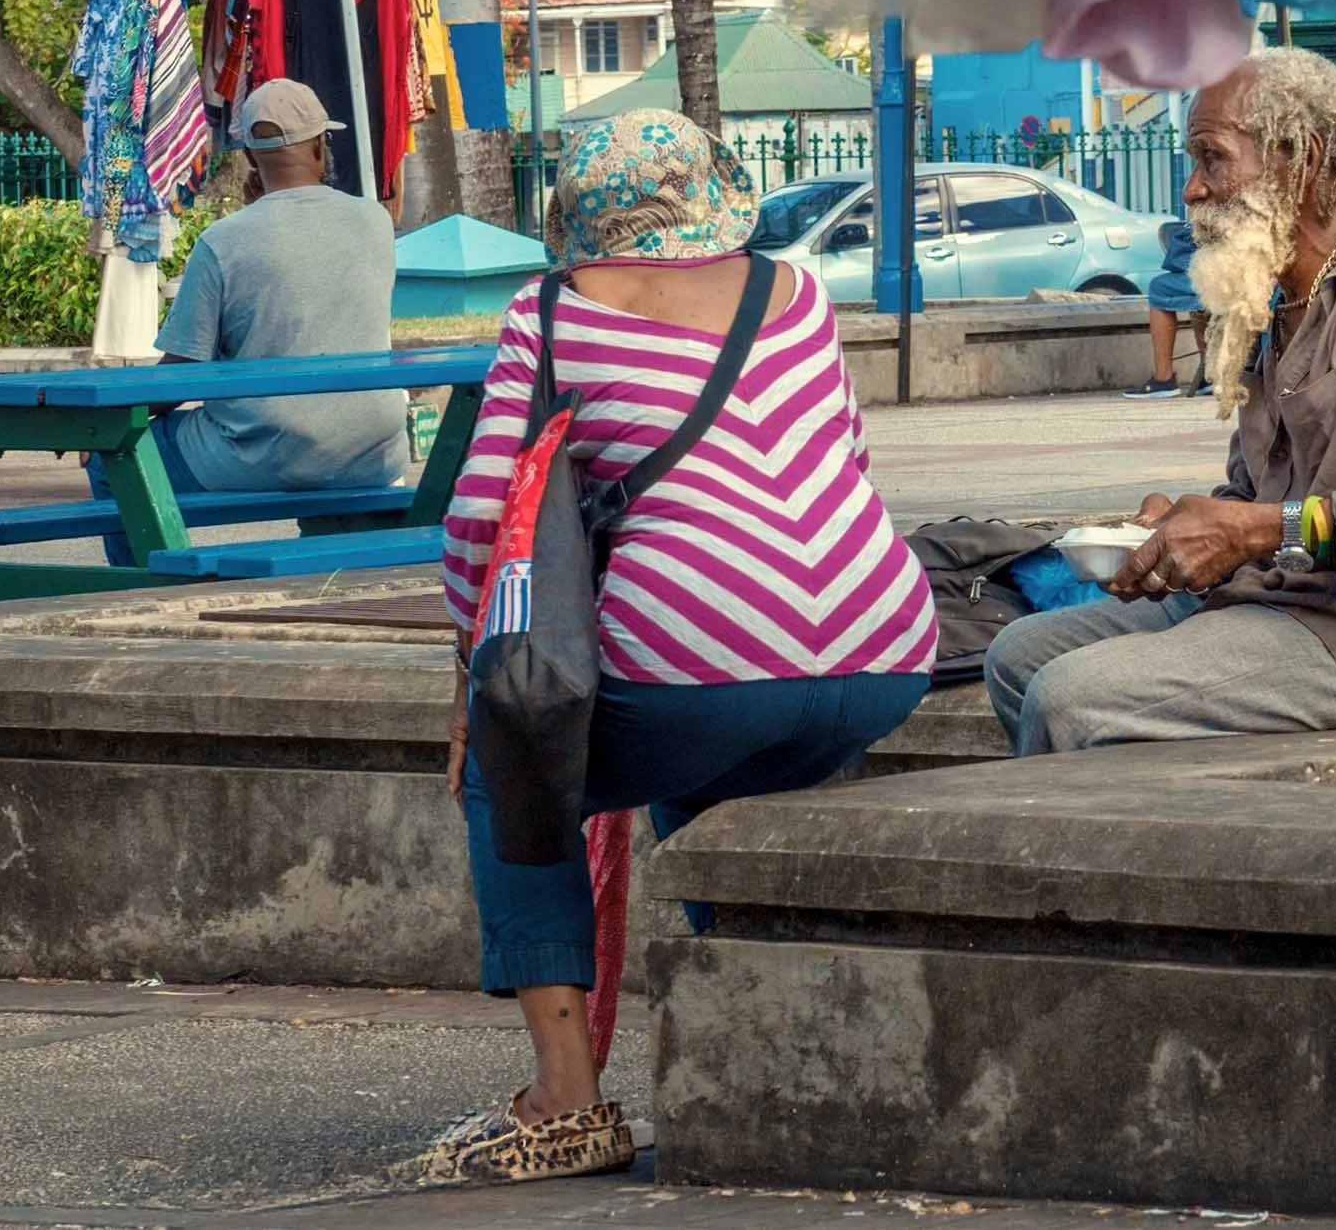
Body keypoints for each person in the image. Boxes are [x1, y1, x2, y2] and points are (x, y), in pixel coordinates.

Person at [428, 109, 938, 1183]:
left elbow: (484, 519)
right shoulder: (796, 292)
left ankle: (564, 1099)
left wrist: (483, 685)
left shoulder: (554, 313)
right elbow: (840, 450)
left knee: (509, 765)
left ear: (580, 217)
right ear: (716, 191)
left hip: (703, 674)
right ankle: (749, 1043)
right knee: (700, 771)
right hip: (882, 652)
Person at [986, 48, 1336, 754]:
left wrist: (1253, 531)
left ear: (1304, 157)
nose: (1191, 190)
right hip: (1280, 595)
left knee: (1068, 699)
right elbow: (1260, 494)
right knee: (1016, 658)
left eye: (1212, 159)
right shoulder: (1278, 294)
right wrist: (1188, 525)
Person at [82, 79, 408, 561]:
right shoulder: (376, 222)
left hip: (265, 453)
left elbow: (179, 376)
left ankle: (139, 580)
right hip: (370, 449)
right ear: (321, 146)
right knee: (317, 436)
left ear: (251, 159)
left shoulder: (224, 241)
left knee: (113, 459)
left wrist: (101, 425)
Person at [1121, 215, 1210, 399]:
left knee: (1161, 288)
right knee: (1193, 294)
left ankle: (1163, 378)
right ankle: (1211, 373)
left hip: (1225, 273)